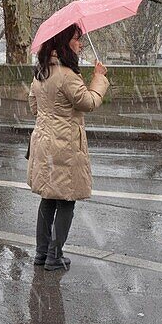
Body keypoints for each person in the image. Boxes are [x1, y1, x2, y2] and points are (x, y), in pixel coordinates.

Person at [26, 24, 108, 271]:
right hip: (64, 146)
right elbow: (89, 102)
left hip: (43, 143)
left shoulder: (41, 72)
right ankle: (55, 254)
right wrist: (99, 78)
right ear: (64, 42)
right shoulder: (67, 75)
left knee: (48, 198)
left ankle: (42, 253)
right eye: (76, 39)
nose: (80, 44)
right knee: (67, 200)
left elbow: (34, 106)